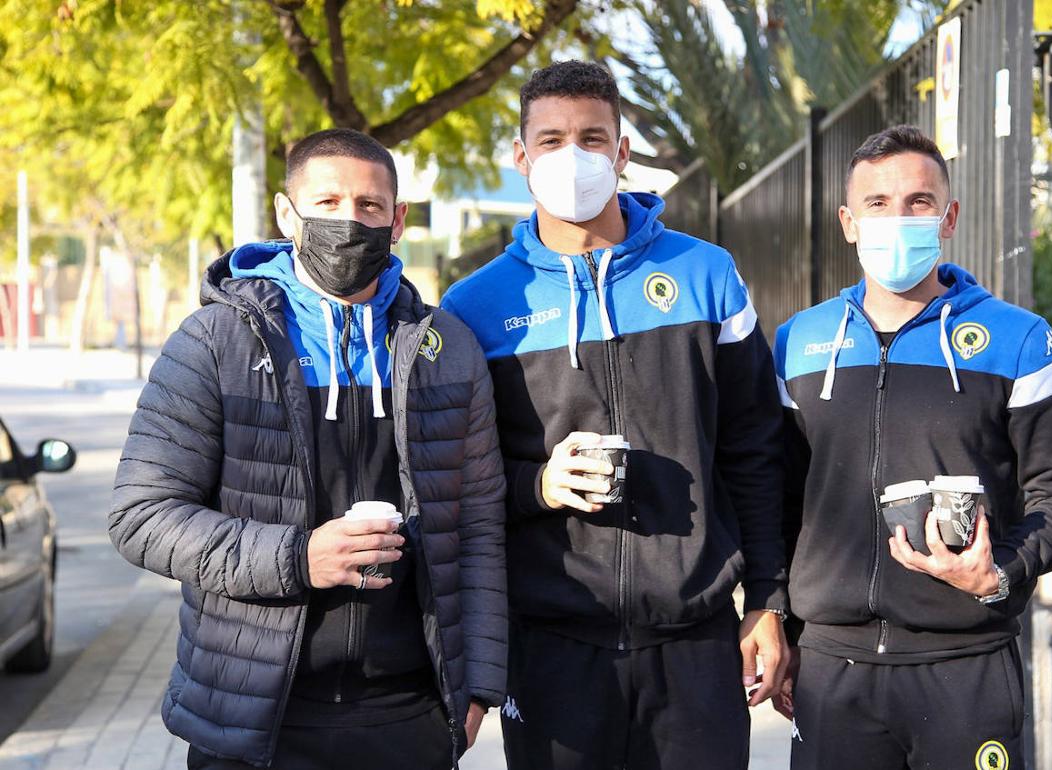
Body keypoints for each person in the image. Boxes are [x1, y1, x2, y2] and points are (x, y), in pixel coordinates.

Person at [109, 128, 507, 769]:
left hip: (409, 715)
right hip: (254, 717)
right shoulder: (215, 342)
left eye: (370, 206)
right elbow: (142, 516)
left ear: (398, 220)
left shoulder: (447, 347)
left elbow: (482, 525)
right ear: (285, 213)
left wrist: (479, 687)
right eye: (326, 204)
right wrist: (298, 557)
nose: (349, 222)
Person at [440, 60, 789, 770]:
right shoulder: (474, 307)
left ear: (623, 153)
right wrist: (539, 483)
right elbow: (456, 483)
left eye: (593, 138)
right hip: (550, 649)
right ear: (521, 157)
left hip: (695, 641)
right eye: (552, 140)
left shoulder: (706, 274)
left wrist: (768, 599)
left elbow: (756, 446)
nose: (574, 156)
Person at [772, 125, 1052, 770]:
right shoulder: (797, 343)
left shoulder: (1017, 340)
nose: (898, 219)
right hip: (832, 670)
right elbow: (774, 498)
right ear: (847, 222)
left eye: (918, 202)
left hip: (967, 668)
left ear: (947, 216)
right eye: (877, 203)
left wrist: (1000, 569)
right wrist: (775, 617)